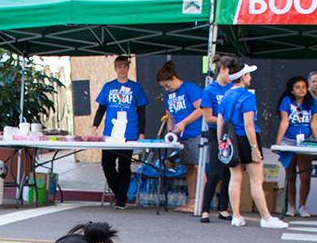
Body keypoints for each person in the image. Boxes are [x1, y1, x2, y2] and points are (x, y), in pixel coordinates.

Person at [217, 62, 288, 229]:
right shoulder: (247, 96)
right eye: (248, 74)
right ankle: (266, 217)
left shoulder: (225, 95)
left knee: (235, 178)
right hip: (247, 139)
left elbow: (220, 121)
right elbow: (248, 124)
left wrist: (221, 141)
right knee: (256, 181)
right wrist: (254, 147)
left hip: (230, 139)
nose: (250, 77)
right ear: (242, 77)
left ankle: (236, 216)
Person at [91, 55, 148, 209]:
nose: (122, 69)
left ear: (128, 68)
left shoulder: (136, 88)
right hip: (110, 132)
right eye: (119, 66)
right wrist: (94, 125)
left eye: (125, 66)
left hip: (129, 132)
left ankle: (121, 200)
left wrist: (141, 133)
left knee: (124, 165)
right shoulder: (108, 87)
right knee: (107, 164)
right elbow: (101, 108)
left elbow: (141, 111)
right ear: (115, 69)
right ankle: (119, 193)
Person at [156, 61, 203, 214]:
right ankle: (191, 201)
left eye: (167, 85)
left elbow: (201, 109)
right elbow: (170, 116)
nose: (166, 88)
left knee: (198, 167)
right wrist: (170, 133)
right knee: (189, 168)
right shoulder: (170, 96)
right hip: (181, 137)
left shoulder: (190, 88)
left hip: (195, 133)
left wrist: (184, 123)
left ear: (173, 78)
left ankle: (201, 202)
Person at [273, 75, 317, 217]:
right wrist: (278, 142)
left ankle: (303, 206)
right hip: (288, 140)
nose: (301, 90)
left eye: (304, 87)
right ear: (292, 90)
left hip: (305, 142)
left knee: (305, 176)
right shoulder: (287, 101)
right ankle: (291, 206)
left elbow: (314, 122)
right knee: (290, 175)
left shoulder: (311, 102)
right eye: (298, 87)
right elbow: (284, 122)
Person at [198, 55, 237, 223]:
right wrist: (223, 119)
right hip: (216, 134)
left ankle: (223, 208)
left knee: (229, 172)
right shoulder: (210, 90)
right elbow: (208, 118)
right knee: (214, 172)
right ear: (222, 70)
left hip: (230, 133)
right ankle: (205, 209)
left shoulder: (232, 88)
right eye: (230, 72)